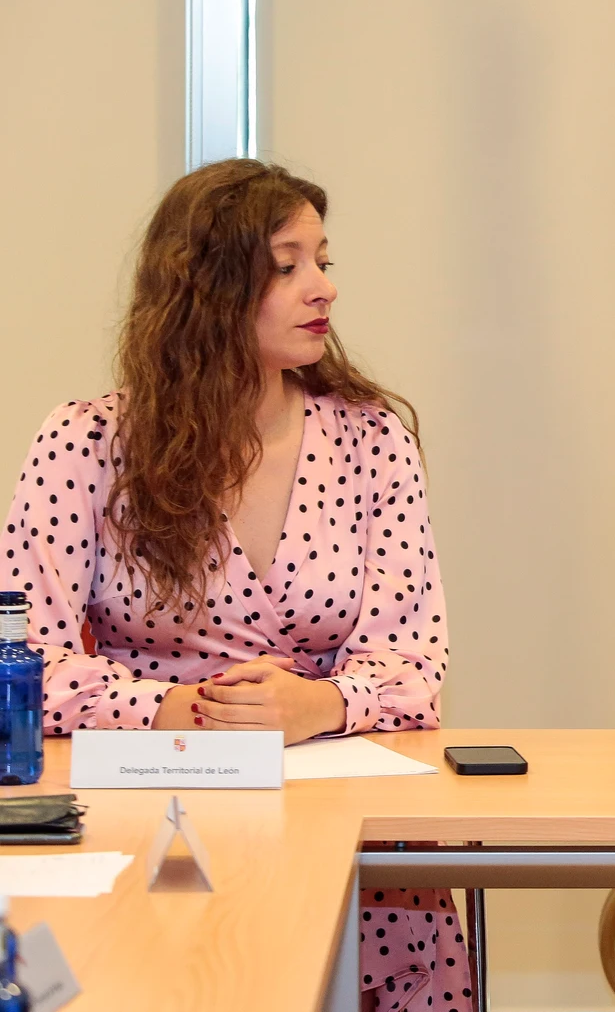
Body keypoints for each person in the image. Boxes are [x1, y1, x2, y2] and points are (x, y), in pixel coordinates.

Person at [3, 160, 469, 1012]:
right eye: (287, 266)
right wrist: (173, 711)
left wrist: (317, 705)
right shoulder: (86, 444)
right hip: (143, 833)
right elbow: (23, 659)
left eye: (324, 260)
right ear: (206, 291)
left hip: (346, 833)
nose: (323, 286)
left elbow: (415, 661)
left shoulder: (372, 441)